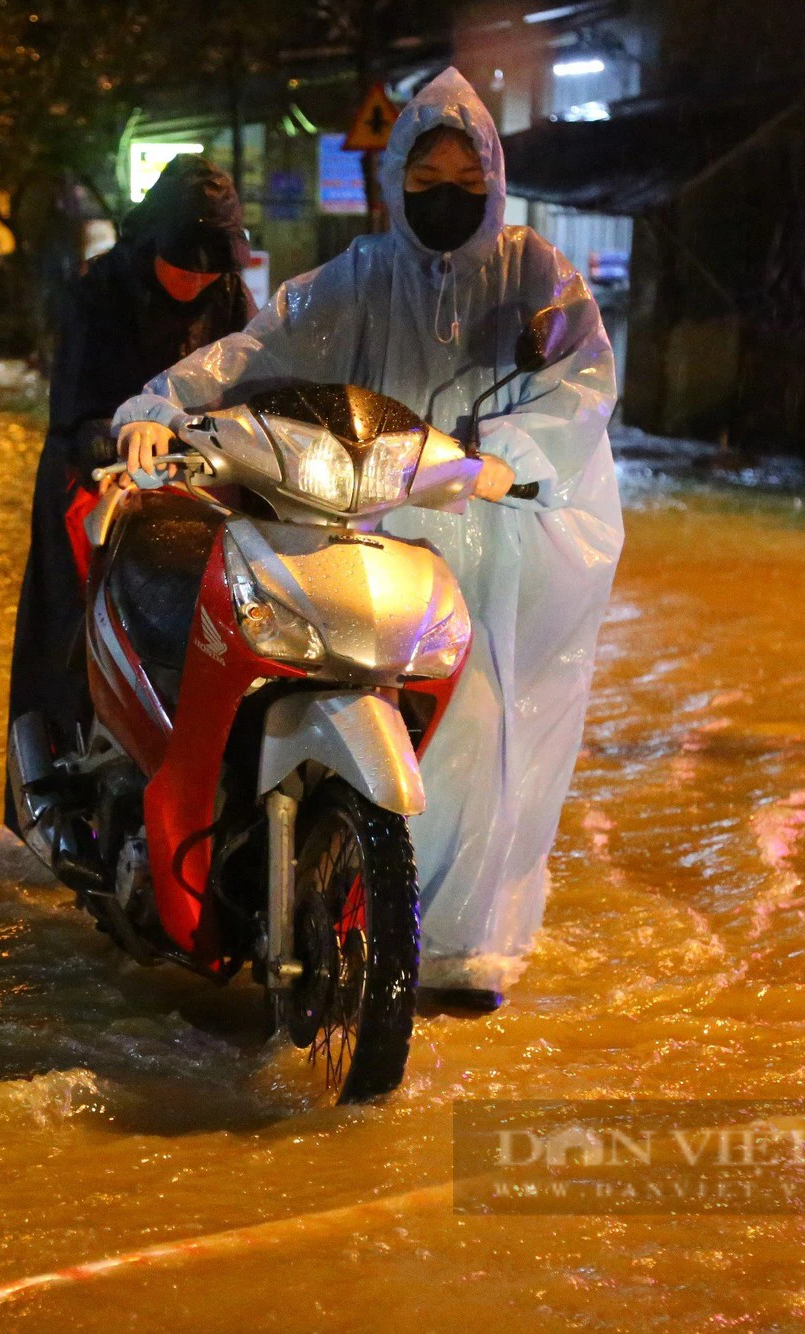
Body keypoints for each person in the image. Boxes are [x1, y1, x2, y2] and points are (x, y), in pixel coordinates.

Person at [112, 69, 622, 1012]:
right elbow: (250, 355)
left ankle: (464, 946)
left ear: (494, 176)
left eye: (462, 174)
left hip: (504, 543)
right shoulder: (354, 282)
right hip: (380, 527)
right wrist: (156, 405)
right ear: (394, 178)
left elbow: (583, 377)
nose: (443, 193)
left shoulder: (537, 274)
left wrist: (505, 457)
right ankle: (330, 893)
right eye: (423, 173)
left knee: (491, 739)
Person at [4, 155, 256, 835]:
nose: (198, 279)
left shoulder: (229, 296)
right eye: (185, 264)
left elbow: (259, 379)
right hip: (94, 471)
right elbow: (76, 411)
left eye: (211, 267)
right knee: (74, 622)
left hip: (195, 477)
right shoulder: (99, 293)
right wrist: (117, 450)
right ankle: (60, 792)